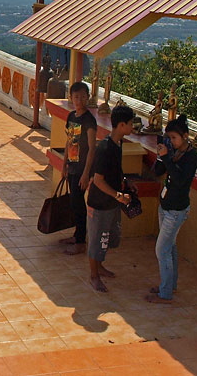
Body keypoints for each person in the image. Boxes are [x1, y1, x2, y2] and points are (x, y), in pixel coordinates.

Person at [147, 114, 197, 304]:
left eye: (174, 138)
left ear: (185, 136)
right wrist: (162, 157)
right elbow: (158, 172)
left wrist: (167, 158)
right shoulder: (172, 152)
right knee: (170, 248)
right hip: (165, 205)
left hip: (176, 210)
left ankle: (165, 292)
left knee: (162, 250)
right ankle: (169, 285)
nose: (172, 142)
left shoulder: (192, 157)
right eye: (169, 138)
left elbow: (180, 180)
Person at [85, 104, 134, 292]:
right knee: (97, 239)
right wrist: (118, 195)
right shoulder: (105, 148)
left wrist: (125, 182)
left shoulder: (117, 144)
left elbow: (114, 171)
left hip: (112, 202)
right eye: (130, 124)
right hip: (100, 203)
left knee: (106, 238)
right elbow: (98, 180)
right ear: (121, 125)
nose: (132, 128)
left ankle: (100, 267)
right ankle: (93, 276)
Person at [59, 82, 97, 255]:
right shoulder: (72, 117)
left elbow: (91, 148)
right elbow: (69, 141)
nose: (79, 100)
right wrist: (64, 164)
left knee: (78, 203)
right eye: (76, 97)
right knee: (74, 203)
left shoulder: (89, 120)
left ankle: (81, 241)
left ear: (87, 97)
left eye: (82, 96)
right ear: (71, 98)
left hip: (82, 168)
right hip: (72, 165)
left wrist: (86, 174)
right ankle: (77, 235)